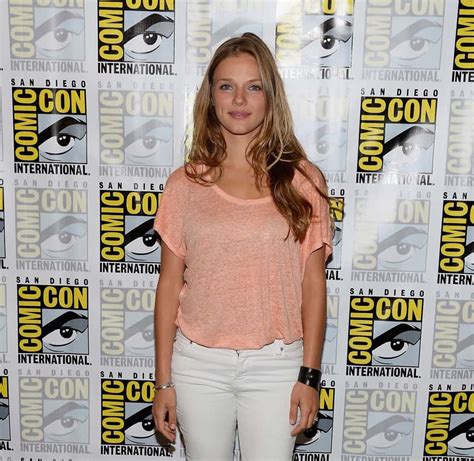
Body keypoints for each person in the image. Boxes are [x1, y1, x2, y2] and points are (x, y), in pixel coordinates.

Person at [152, 32, 333, 461]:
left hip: (277, 366)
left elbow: (313, 285)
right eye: (226, 86)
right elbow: (168, 286)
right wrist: (163, 381)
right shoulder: (184, 184)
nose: (238, 99)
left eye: (253, 86)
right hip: (197, 366)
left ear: (270, 96)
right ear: (210, 97)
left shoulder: (303, 180)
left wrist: (309, 375)